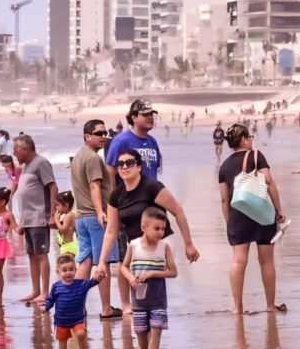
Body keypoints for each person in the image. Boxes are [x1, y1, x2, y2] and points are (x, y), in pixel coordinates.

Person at [95, 148, 199, 316]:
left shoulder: (152, 187)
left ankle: (154, 318)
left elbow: (178, 211)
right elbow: (111, 231)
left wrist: (189, 244)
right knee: (133, 278)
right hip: (136, 246)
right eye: (120, 164)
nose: (124, 167)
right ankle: (135, 313)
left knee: (151, 286)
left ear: (139, 167)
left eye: (129, 163)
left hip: (158, 244)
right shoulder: (116, 196)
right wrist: (101, 262)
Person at [218, 123, 286, 314]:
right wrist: (278, 209)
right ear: (243, 140)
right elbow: (269, 182)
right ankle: (270, 306)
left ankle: (238, 307)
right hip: (262, 213)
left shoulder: (224, 166)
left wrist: (229, 222)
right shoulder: (257, 156)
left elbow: (224, 199)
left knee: (238, 261)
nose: (251, 140)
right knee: (267, 261)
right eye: (249, 137)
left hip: (238, 216)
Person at [118, 207, 178, 349]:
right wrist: (130, 277)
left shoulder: (165, 247)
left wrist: (153, 273)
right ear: (144, 227)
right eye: (156, 228)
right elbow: (123, 267)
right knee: (141, 334)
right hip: (139, 300)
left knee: (156, 330)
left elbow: (173, 272)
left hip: (158, 299)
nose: (160, 232)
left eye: (163, 229)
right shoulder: (133, 245)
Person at [71, 119, 121, 319]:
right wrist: (101, 212)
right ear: (87, 136)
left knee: (85, 261)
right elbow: (94, 186)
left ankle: (75, 306)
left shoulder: (78, 156)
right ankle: (106, 308)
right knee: (103, 261)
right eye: (98, 133)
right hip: (94, 216)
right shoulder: (92, 158)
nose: (103, 137)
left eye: (104, 133)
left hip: (81, 216)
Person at [13, 134, 59, 306]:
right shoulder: (25, 166)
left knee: (41, 255)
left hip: (39, 217)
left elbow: (53, 187)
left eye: (16, 150)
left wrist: (52, 214)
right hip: (28, 219)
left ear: (26, 149)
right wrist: (22, 221)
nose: (14, 153)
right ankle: (35, 290)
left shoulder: (41, 163)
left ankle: (45, 292)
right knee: (31, 255)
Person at [43, 254, 103, 349]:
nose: (68, 273)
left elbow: (92, 282)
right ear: (58, 272)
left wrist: (98, 277)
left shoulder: (81, 284)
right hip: (61, 321)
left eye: (71, 269)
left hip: (78, 319)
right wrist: (46, 307)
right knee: (62, 340)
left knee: (81, 334)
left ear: (75, 270)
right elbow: (50, 299)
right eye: (64, 270)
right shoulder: (56, 287)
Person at [106, 99, 163, 182]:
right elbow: (110, 173)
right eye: (145, 114)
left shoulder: (152, 141)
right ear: (134, 118)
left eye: (151, 114)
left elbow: (153, 171)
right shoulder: (121, 141)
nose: (150, 117)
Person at [52, 191, 79, 257]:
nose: (56, 208)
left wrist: (56, 220)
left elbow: (63, 230)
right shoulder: (68, 215)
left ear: (66, 205)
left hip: (68, 247)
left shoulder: (68, 216)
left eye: (58, 205)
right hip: (65, 246)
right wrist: (58, 220)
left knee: (67, 263)